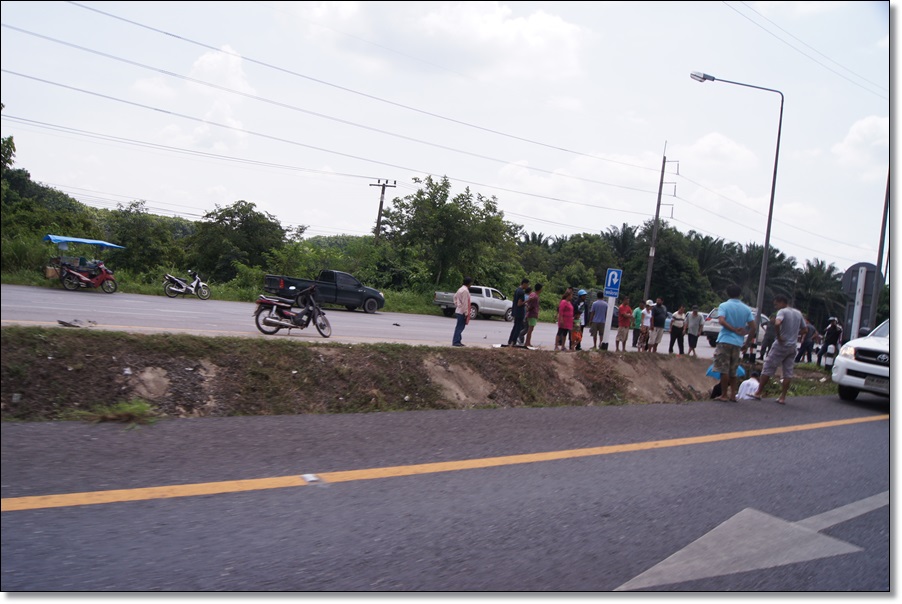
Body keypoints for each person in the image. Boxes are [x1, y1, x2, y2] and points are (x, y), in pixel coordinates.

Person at [752, 294, 806, 405]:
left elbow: (777, 323)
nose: (775, 307)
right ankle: (782, 397)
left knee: (768, 366)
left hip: (781, 345)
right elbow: (804, 329)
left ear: (782, 302)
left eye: (776, 304)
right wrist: (795, 334)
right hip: (792, 346)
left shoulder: (782, 312)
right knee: (788, 372)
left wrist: (779, 335)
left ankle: (758, 392)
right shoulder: (798, 313)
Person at [713, 284, 756, 402]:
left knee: (724, 369)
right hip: (738, 343)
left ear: (728, 294)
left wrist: (732, 329)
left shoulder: (724, 305)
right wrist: (746, 343)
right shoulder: (746, 309)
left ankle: (724, 395)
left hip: (725, 340)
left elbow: (721, 320)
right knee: (733, 369)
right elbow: (753, 327)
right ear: (740, 294)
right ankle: (733, 394)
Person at [506, 278, 529, 347]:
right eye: (527, 284)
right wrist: (526, 301)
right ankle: (514, 341)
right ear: (524, 284)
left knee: (515, 326)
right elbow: (519, 303)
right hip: (520, 312)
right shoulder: (521, 292)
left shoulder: (517, 290)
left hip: (515, 310)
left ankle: (510, 340)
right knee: (518, 327)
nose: (527, 286)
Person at [451, 276, 472, 347]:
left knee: (459, 326)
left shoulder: (460, 289)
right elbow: (465, 302)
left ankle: (458, 340)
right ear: (469, 283)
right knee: (460, 327)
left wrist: (457, 304)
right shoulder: (465, 291)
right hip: (462, 312)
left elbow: (455, 297)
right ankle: (456, 341)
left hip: (459, 310)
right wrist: (466, 313)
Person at [523, 283, 543, 348]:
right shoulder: (535, 296)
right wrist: (530, 307)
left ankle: (528, 342)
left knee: (530, 329)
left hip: (530, 314)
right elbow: (531, 301)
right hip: (532, 314)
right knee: (530, 329)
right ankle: (527, 342)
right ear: (540, 289)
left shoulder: (532, 294)